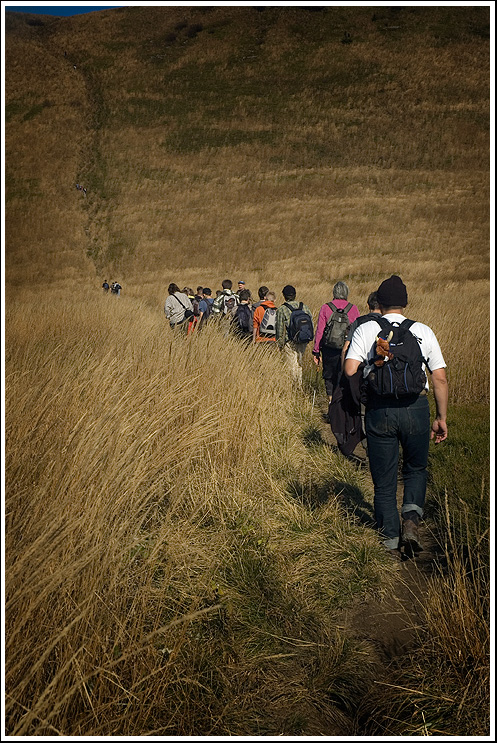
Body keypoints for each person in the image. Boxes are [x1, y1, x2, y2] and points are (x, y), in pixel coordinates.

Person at [344, 275, 448, 560]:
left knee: (384, 478)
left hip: (379, 411)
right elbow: (439, 377)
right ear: (404, 303)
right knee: (415, 469)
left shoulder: (367, 328)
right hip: (416, 409)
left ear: (378, 302)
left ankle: (390, 539)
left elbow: (351, 370)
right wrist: (441, 417)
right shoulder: (423, 331)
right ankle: (411, 521)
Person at [313, 281, 360, 403]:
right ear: (347, 293)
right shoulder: (353, 309)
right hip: (348, 349)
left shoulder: (326, 307)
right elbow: (358, 330)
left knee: (329, 377)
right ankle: (341, 405)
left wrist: (316, 351)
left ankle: (331, 402)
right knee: (344, 376)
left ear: (334, 292)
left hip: (329, 349)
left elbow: (320, 331)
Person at [275, 285, 313, 388]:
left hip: (290, 342)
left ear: (284, 296)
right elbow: (311, 323)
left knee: (292, 365)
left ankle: (294, 387)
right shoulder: (304, 306)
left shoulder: (282, 309)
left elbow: (280, 329)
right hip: (303, 339)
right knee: (299, 364)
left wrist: (280, 344)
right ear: (295, 295)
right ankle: (299, 385)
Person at [341, 291, 381, 368]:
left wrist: (343, 370)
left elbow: (345, 348)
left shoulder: (358, 322)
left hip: (359, 368)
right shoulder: (387, 323)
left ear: (368, 306)